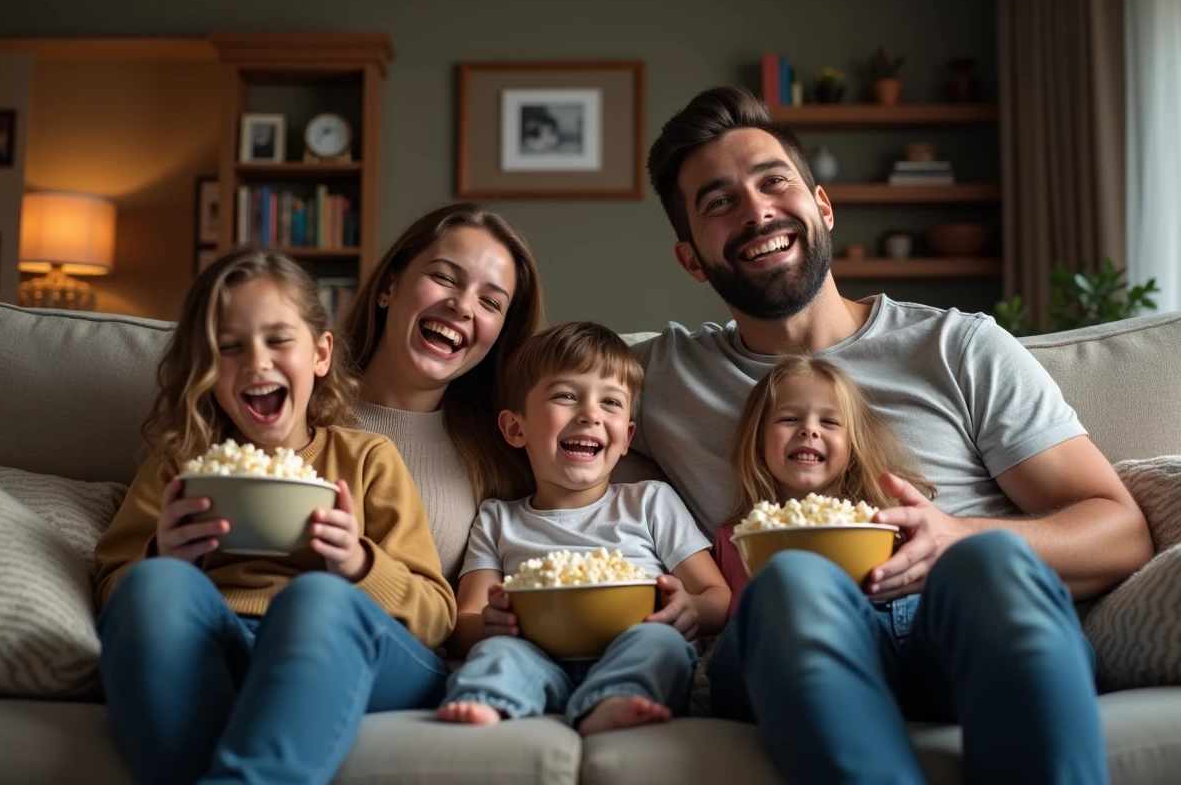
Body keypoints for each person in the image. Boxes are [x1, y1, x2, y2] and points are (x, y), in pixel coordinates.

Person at [634, 85, 1152, 783]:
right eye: (718, 202)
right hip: (793, 644)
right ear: (692, 258)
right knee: (790, 580)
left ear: (821, 205)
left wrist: (956, 536)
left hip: (961, 630)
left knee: (989, 563)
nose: (756, 211)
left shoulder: (957, 347)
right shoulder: (660, 377)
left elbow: (1120, 529)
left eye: (773, 182)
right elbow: (523, 387)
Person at [93, 250, 456, 785]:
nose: (256, 362)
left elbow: (436, 615)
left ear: (321, 353)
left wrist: (357, 563)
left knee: (316, 597)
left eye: (278, 340)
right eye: (230, 347)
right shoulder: (181, 467)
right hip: (217, 644)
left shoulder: (365, 460)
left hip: (341, 650)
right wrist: (164, 556)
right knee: (154, 584)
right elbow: (115, 594)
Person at [435, 322, 730, 734]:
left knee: (662, 646)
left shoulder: (649, 501)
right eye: (566, 396)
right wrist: (489, 622)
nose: (590, 414)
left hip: (633, 644)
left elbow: (717, 597)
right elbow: (464, 619)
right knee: (498, 654)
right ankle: (488, 699)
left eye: (610, 402)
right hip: (534, 655)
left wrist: (690, 609)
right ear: (515, 429)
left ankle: (616, 700)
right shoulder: (498, 519)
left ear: (626, 438)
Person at [339, 203, 545, 583]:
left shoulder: (505, 459)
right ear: (388, 286)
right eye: (445, 277)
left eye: (490, 302)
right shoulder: (293, 412)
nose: (462, 305)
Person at [714, 354, 935, 609]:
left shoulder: (887, 528)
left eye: (829, 422)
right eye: (789, 419)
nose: (810, 430)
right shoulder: (735, 541)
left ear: (853, 446)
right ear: (758, 438)